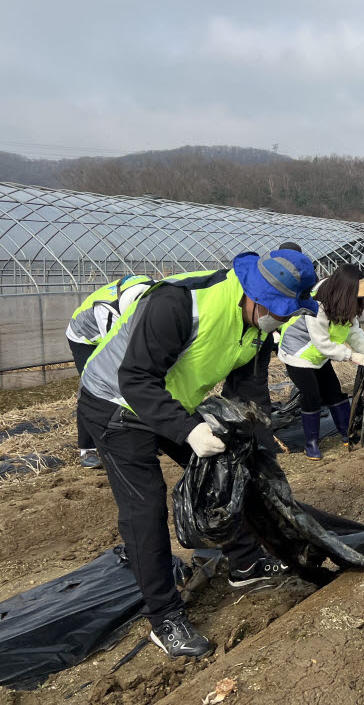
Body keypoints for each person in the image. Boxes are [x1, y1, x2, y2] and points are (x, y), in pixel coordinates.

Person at [78, 249, 319, 658]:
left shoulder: (258, 325)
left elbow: (249, 391)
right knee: (145, 507)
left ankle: (245, 564)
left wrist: (259, 455)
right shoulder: (178, 303)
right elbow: (135, 379)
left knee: (231, 471)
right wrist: (188, 431)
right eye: (279, 311)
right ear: (256, 298)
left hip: (171, 398)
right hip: (116, 404)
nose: (281, 319)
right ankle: (164, 618)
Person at [277, 264, 364, 459]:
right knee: (312, 395)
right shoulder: (317, 304)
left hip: (319, 354)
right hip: (297, 353)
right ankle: (312, 444)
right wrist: (351, 356)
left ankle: (346, 434)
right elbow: (322, 343)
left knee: (334, 391)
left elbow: (354, 332)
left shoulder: (344, 303)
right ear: (345, 291)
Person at [221, 241, 305, 454]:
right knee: (243, 384)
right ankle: (237, 428)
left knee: (253, 383)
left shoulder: (293, 280)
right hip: (244, 333)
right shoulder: (260, 278)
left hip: (258, 335)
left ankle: (257, 439)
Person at [65, 275, 153, 468]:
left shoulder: (155, 294)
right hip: (85, 339)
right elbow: (113, 350)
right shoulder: (108, 310)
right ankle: (87, 448)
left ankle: (147, 433)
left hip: (115, 327)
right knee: (94, 387)